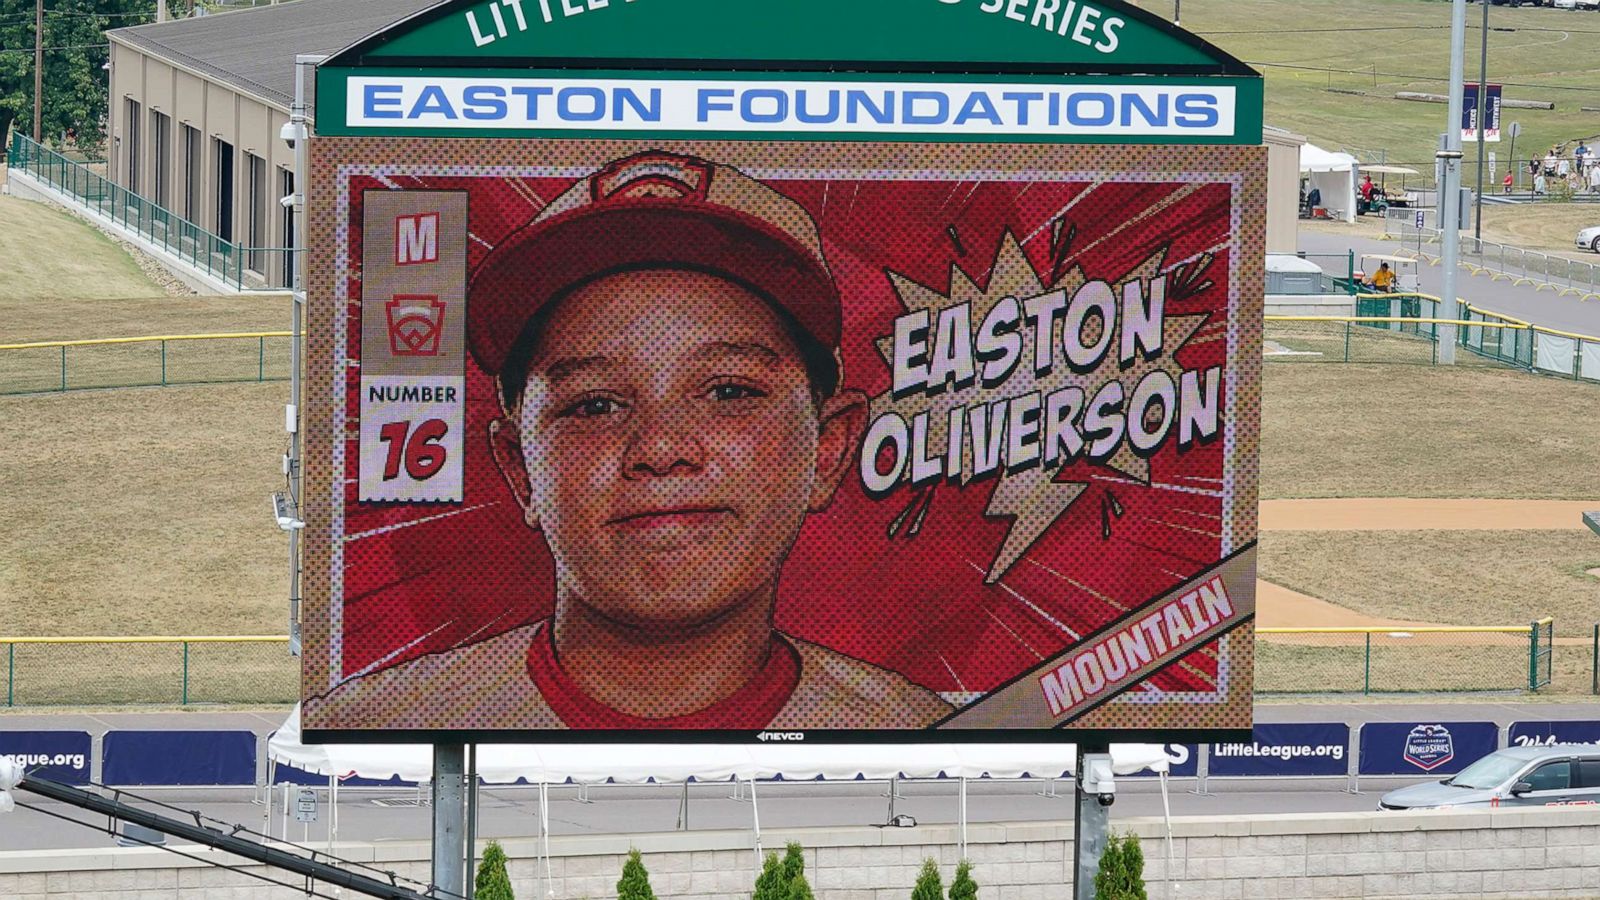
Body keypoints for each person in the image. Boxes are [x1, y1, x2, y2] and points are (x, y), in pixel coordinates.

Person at [308, 150, 954, 730]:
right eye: (595, 405)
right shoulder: (377, 724)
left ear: (828, 449)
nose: (662, 448)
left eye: (729, 392)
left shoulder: (925, 731)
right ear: (520, 470)